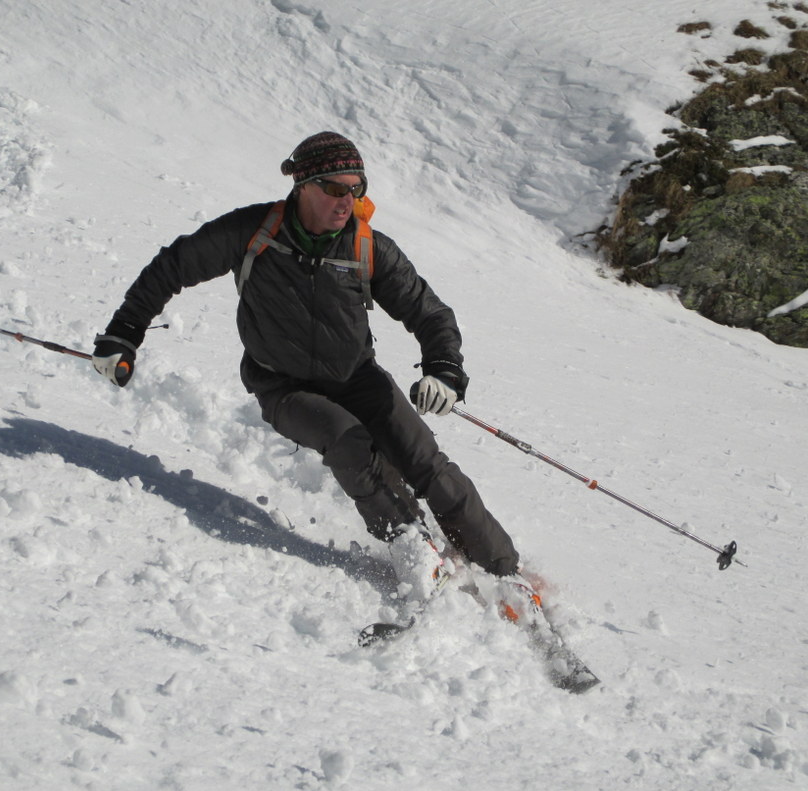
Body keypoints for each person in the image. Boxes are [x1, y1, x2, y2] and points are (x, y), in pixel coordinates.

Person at [92, 131, 522, 584]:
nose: (347, 200)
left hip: (358, 377)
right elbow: (171, 267)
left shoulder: (366, 246)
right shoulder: (253, 233)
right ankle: (415, 548)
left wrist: (444, 369)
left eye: (356, 189)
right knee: (348, 440)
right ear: (303, 187)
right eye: (336, 188)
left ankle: (504, 571)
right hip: (283, 385)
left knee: (424, 460)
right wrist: (124, 333)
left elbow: (429, 312)